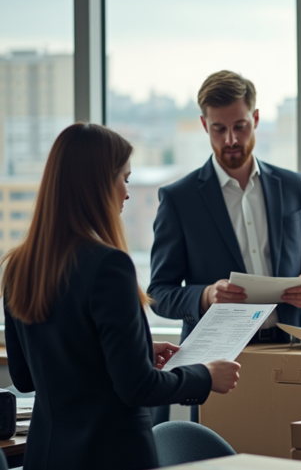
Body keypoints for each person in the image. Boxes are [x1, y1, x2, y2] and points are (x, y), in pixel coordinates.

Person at [1, 123, 241, 470]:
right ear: (98, 184)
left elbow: (26, 377)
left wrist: (139, 350)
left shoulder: (18, 266)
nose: (127, 193)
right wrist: (205, 375)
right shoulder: (109, 266)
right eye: (124, 179)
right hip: (110, 455)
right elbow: (137, 387)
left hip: (47, 456)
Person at [149, 70, 301, 344]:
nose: (231, 140)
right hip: (214, 356)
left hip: (292, 349)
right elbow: (158, 293)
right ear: (204, 124)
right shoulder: (179, 199)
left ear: (256, 118)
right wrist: (205, 296)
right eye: (219, 129)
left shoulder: (295, 186)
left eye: (240, 126)